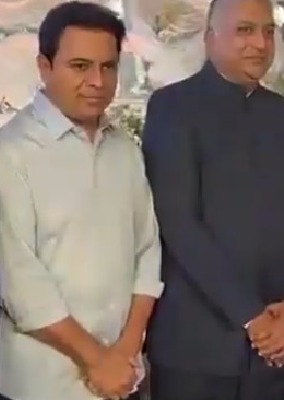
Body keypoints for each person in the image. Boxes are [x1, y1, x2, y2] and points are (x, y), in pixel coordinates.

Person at [141, 0, 284, 399]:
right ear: (210, 39)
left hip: (274, 347)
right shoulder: (173, 108)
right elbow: (178, 222)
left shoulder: (283, 115)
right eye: (244, 30)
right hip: (197, 348)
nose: (260, 43)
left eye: (268, 31)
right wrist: (252, 317)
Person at [0, 2, 164, 400]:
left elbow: (147, 251)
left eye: (108, 67)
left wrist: (125, 351)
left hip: (124, 376)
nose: (96, 81)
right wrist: (97, 360)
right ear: (44, 66)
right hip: (43, 384)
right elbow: (20, 284)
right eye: (80, 66)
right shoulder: (11, 153)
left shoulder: (124, 150)